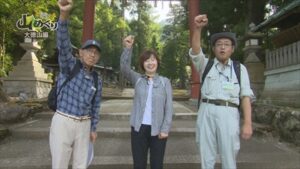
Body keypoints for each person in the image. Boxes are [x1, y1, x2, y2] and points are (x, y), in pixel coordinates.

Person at [189, 14, 255, 169]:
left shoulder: (240, 69)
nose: (223, 47)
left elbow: (245, 96)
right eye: (219, 44)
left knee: (229, 156)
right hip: (206, 111)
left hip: (229, 113)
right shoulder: (206, 65)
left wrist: (247, 123)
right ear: (214, 48)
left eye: (226, 44)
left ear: (232, 49)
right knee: (206, 156)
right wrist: (198, 29)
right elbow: (196, 52)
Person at [49, 0, 102, 169]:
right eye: (89, 51)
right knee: (60, 163)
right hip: (64, 120)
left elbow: (96, 106)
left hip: (84, 124)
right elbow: (63, 43)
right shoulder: (69, 65)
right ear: (80, 53)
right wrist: (64, 15)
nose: (92, 55)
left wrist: (93, 128)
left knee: (81, 164)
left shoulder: (96, 78)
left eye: (96, 53)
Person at [120, 35, 173, 169]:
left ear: (157, 62)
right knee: (139, 164)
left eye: (153, 60)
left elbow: (169, 108)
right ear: (143, 64)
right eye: (147, 60)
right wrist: (127, 48)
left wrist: (165, 128)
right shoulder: (137, 79)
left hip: (158, 130)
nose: (150, 63)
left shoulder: (164, 82)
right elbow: (124, 68)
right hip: (138, 129)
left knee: (157, 165)